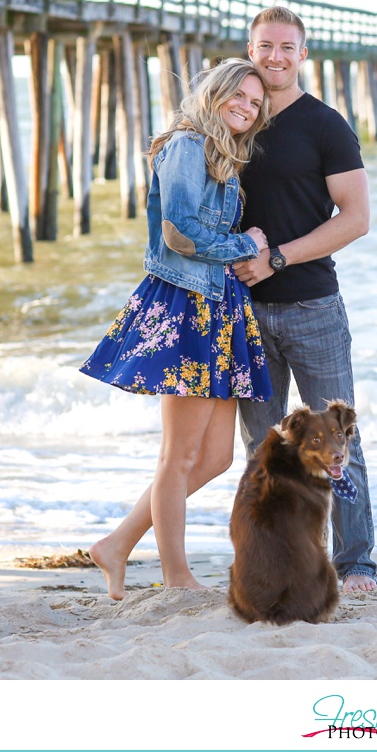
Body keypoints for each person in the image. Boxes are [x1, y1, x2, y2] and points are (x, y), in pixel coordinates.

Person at [83, 58, 272, 598]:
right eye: (238, 95)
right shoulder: (187, 145)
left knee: (215, 457)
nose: (246, 106)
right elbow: (178, 233)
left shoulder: (223, 154)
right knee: (179, 456)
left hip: (221, 307)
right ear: (214, 93)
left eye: (255, 103)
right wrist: (247, 245)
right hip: (188, 306)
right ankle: (175, 577)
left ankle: (116, 545)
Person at [231, 7, 377, 593]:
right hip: (241, 311)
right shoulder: (234, 118)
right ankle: (273, 559)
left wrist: (280, 257)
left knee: (340, 443)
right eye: (265, 46)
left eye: (286, 47)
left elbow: (357, 218)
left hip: (312, 307)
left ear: (303, 54)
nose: (275, 57)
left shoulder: (325, 126)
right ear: (250, 48)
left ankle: (356, 559)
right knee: (263, 449)